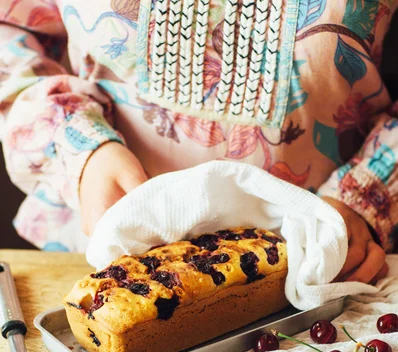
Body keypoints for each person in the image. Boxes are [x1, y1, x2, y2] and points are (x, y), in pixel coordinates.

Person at [0, 0, 396, 284]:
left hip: (330, 259)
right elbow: (12, 27)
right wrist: (77, 142)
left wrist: (365, 194)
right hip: (98, 261)